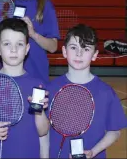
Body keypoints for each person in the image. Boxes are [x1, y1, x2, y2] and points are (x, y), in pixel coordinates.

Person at [47, 24, 127, 158]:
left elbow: (115, 132)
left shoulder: (106, 92)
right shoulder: (51, 89)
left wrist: (93, 152)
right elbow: (43, 132)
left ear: (95, 54)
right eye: (74, 47)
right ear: (64, 51)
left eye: (86, 48)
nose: (79, 53)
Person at [0, 18, 50, 158]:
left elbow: (43, 131)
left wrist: (39, 113)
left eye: (19, 44)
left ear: (27, 49)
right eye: (7, 44)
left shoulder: (38, 86)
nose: (13, 49)